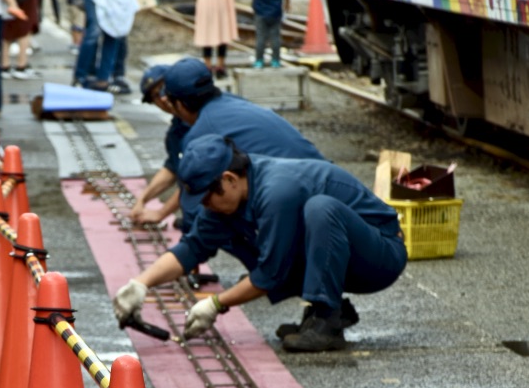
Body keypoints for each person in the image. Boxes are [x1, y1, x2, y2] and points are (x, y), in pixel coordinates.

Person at [113, 136, 408, 352]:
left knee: (320, 210)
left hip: (381, 256)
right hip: (348, 254)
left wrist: (216, 303)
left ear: (228, 179)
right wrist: (141, 283)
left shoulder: (276, 190)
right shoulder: (231, 197)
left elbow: (270, 273)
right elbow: (192, 247)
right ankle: (327, 312)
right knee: (253, 237)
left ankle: (326, 321)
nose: (206, 206)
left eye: (206, 198)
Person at [152, 57, 327, 230]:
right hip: (326, 184)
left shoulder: (199, 137)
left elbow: (195, 217)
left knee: (221, 217)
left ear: (179, 104)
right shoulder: (234, 101)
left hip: (307, 209)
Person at [129, 65, 188, 225]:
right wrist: (142, 199)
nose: (162, 99)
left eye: (163, 89)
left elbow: (202, 179)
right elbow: (172, 169)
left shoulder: (204, 120)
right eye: (154, 97)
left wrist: (161, 213)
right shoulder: (177, 130)